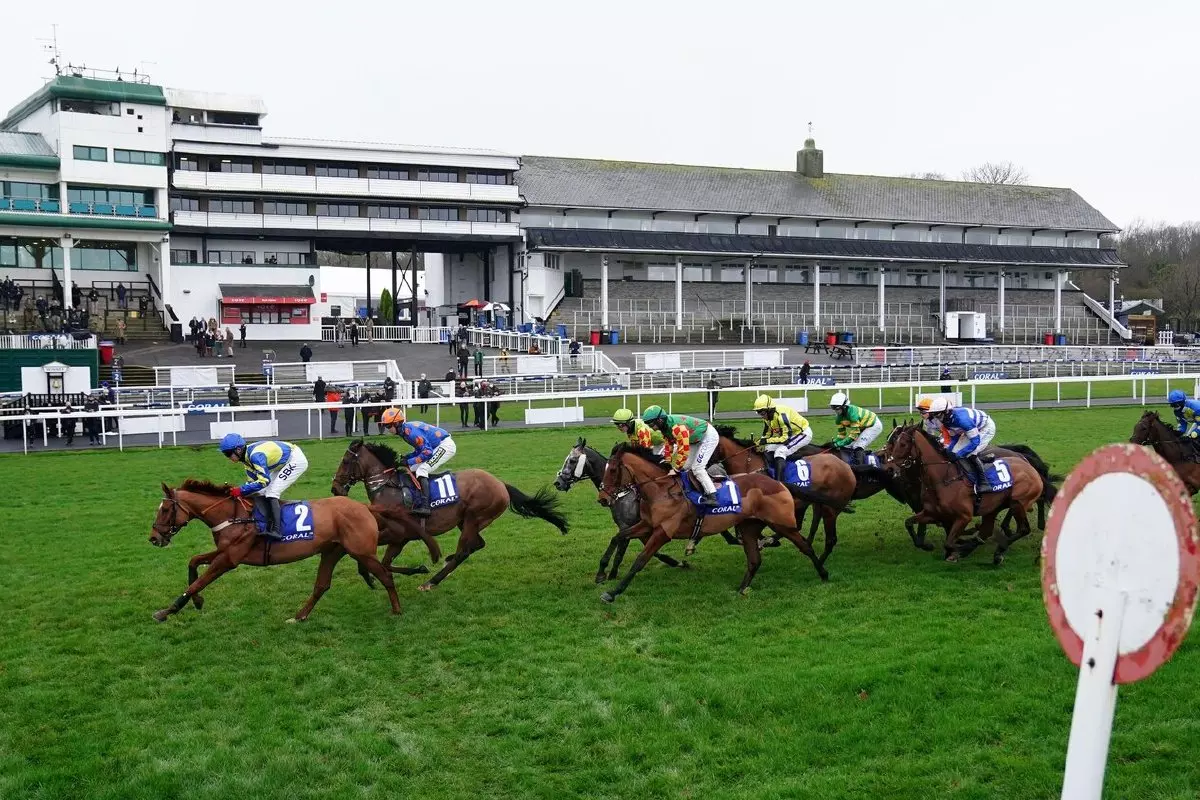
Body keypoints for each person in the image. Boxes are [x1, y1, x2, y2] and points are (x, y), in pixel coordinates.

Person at [218, 433, 309, 539]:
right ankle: (267, 525)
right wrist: (237, 492)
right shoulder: (246, 460)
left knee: (272, 492)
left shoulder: (255, 456)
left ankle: (276, 531)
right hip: (284, 461)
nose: (228, 457)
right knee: (261, 492)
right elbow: (252, 483)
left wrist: (240, 490)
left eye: (228, 453)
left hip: (295, 460)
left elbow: (264, 481)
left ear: (238, 450)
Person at [379, 408, 455, 516]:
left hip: (445, 446)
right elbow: (420, 450)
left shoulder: (411, 433)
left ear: (396, 423)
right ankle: (416, 497)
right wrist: (406, 458)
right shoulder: (405, 431)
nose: (387, 429)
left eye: (388, 426)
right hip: (434, 446)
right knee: (412, 468)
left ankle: (425, 506)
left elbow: (427, 452)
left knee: (422, 469)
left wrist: (408, 461)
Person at [641, 405, 718, 505]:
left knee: (697, 468)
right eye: (647, 424)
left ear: (659, 420)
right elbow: (669, 444)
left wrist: (676, 469)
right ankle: (692, 489)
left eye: (651, 424)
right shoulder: (665, 427)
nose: (650, 427)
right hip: (694, 439)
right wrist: (666, 461)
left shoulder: (677, 428)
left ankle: (712, 495)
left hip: (707, 436)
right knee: (685, 467)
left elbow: (683, 450)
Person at [930, 402, 996, 492]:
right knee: (953, 451)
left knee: (970, 453)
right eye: (933, 414)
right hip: (971, 429)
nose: (936, 418)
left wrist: (960, 454)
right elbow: (954, 437)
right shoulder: (946, 420)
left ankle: (984, 482)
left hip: (985, 428)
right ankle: (976, 463)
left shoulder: (962, 420)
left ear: (946, 411)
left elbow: (975, 442)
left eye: (937, 414)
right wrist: (949, 450)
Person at [752, 394, 812, 480]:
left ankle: (780, 481)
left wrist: (766, 441)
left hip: (803, 433)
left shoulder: (781, 416)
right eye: (759, 413)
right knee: (768, 448)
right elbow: (768, 433)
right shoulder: (768, 417)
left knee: (780, 452)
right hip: (791, 434)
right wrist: (759, 442)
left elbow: (785, 439)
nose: (762, 416)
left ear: (770, 410)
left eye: (763, 413)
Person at [829, 391, 883, 465]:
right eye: (834, 408)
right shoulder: (838, 419)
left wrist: (838, 444)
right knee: (846, 446)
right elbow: (841, 435)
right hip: (862, 426)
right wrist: (835, 442)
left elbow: (853, 436)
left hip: (873, 425)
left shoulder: (853, 415)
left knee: (858, 446)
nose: (836, 411)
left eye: (837, 408)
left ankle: (861, 468)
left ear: (844, 406)